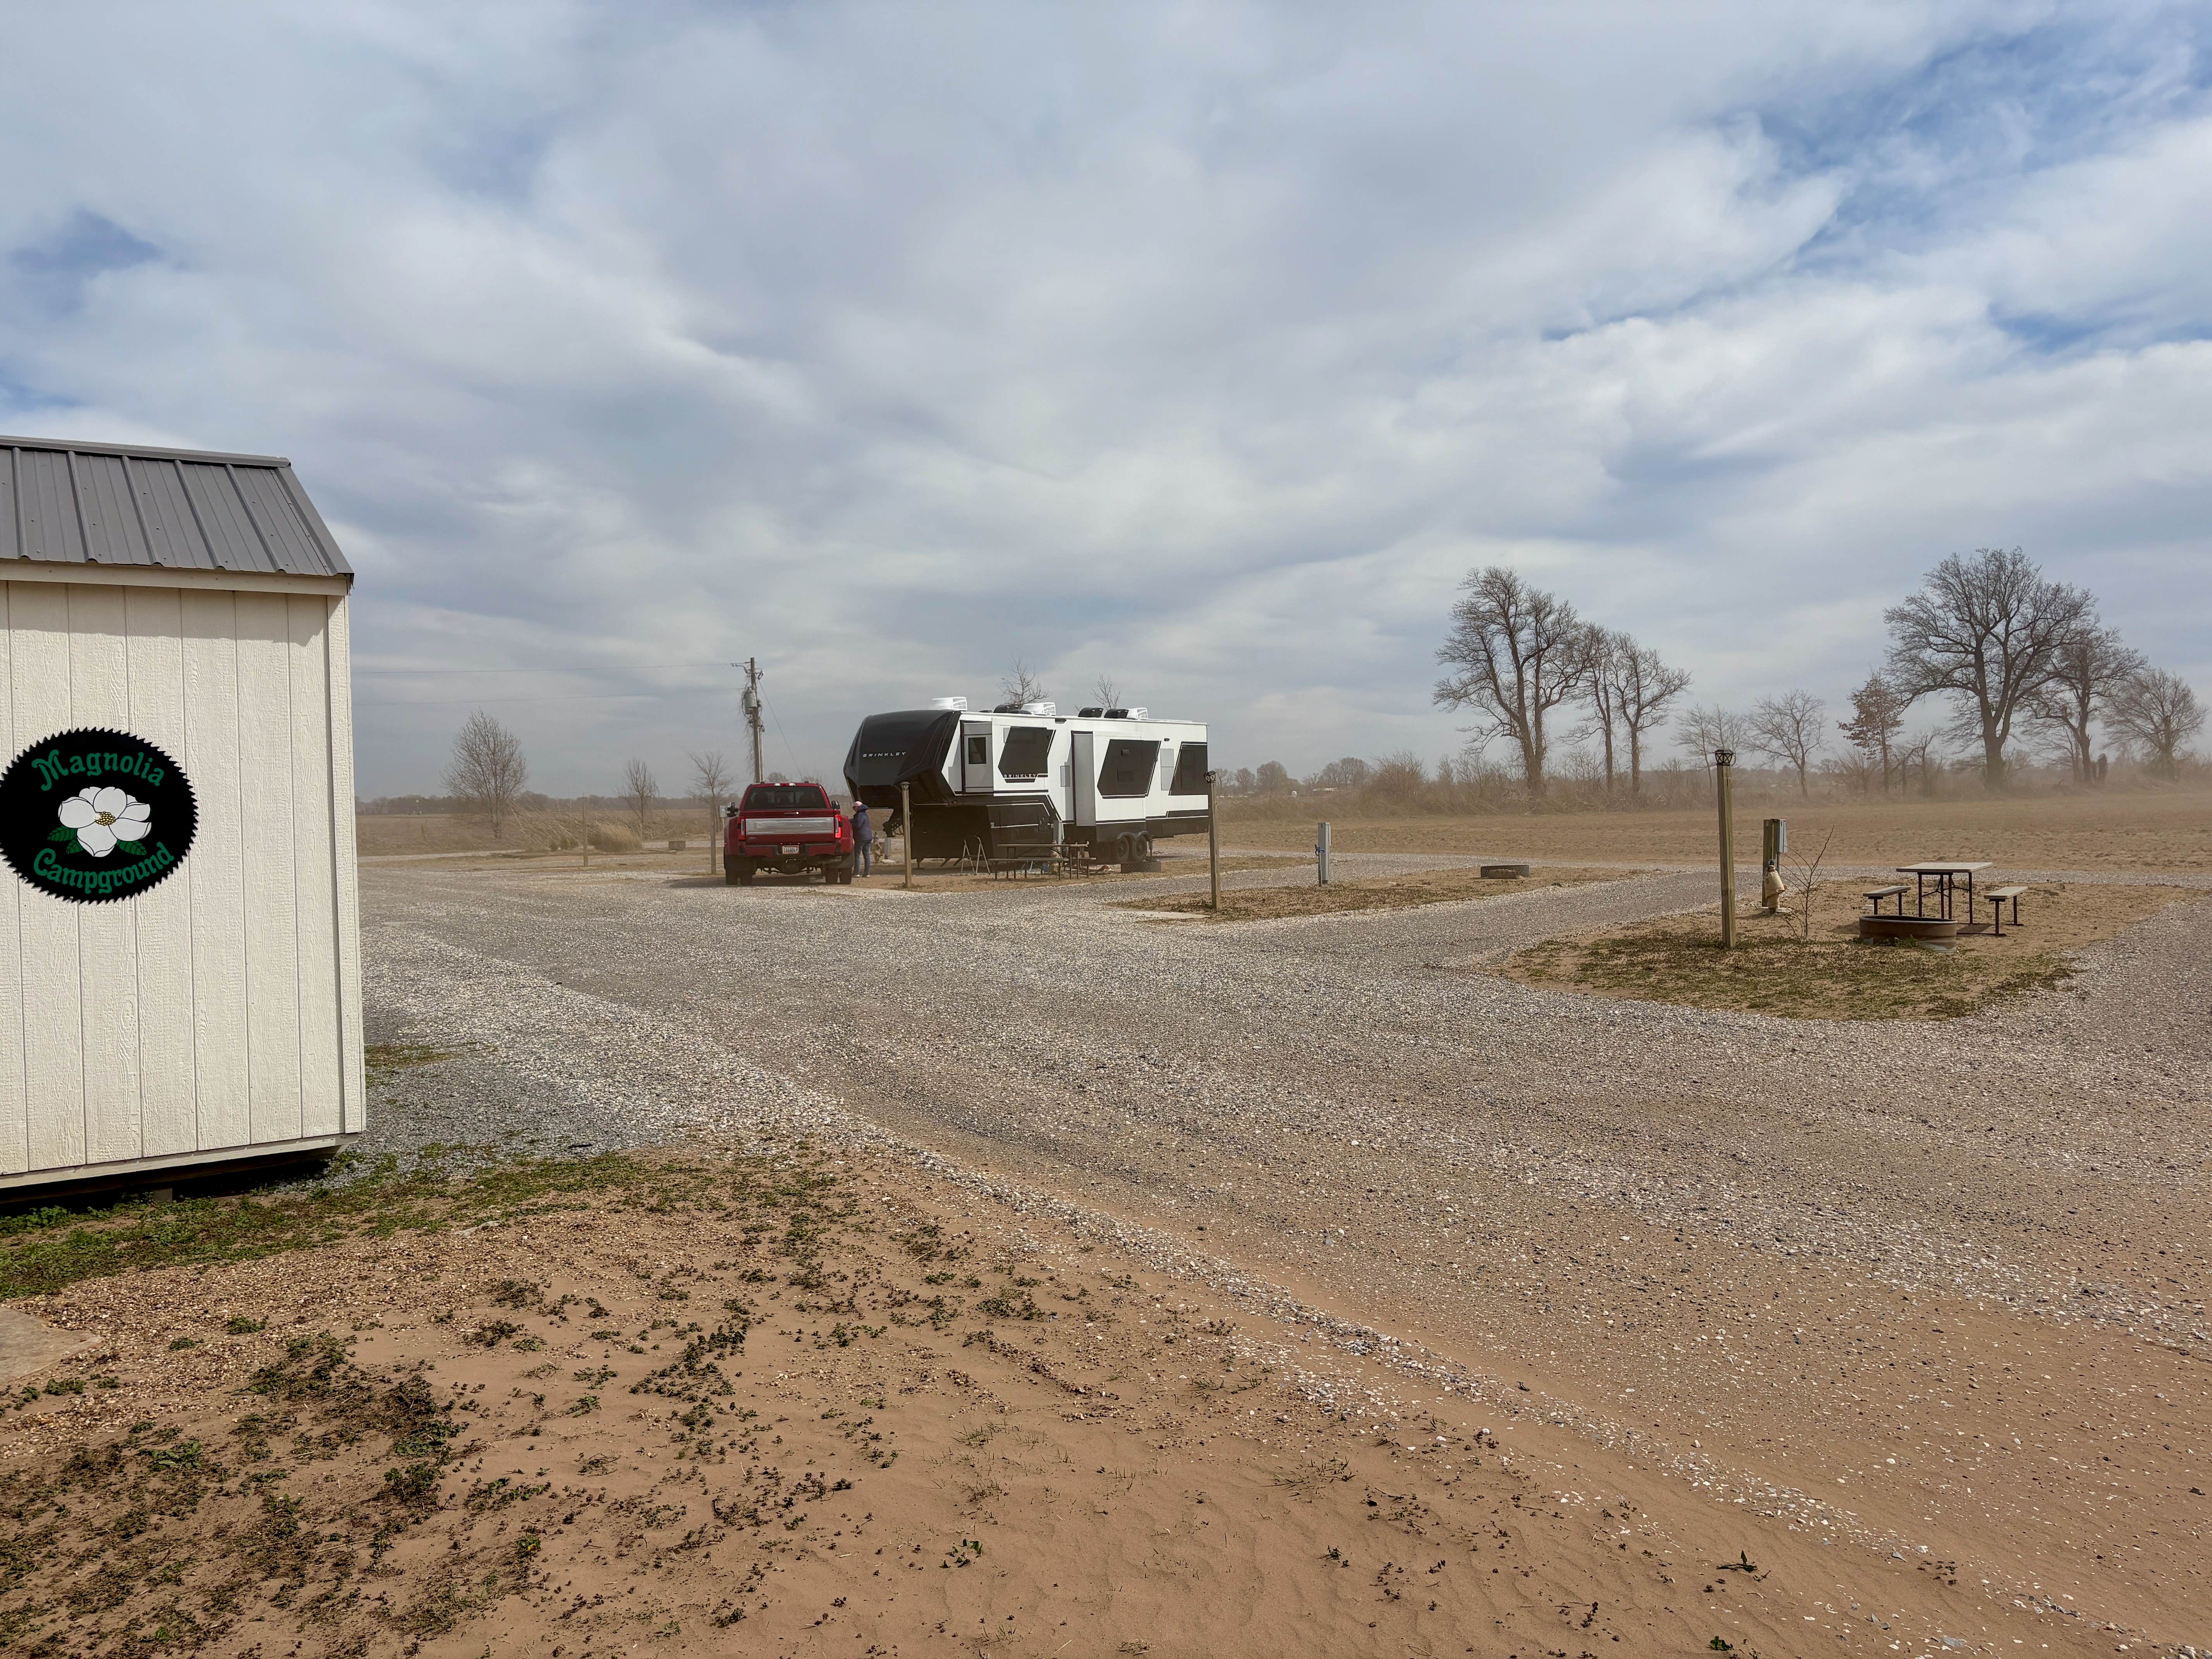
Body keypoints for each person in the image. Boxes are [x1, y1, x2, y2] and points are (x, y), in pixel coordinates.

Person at [850, 798, 873, 877]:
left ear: (857, 807)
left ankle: (857, 873)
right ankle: (867, 873)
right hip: (868, 837)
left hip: (861, 838)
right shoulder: (865, 814)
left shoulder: (859, 815)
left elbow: (858, 825)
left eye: (854, 808)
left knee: (857, 855)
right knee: (867, 855)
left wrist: (851, 824)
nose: (854, 809)